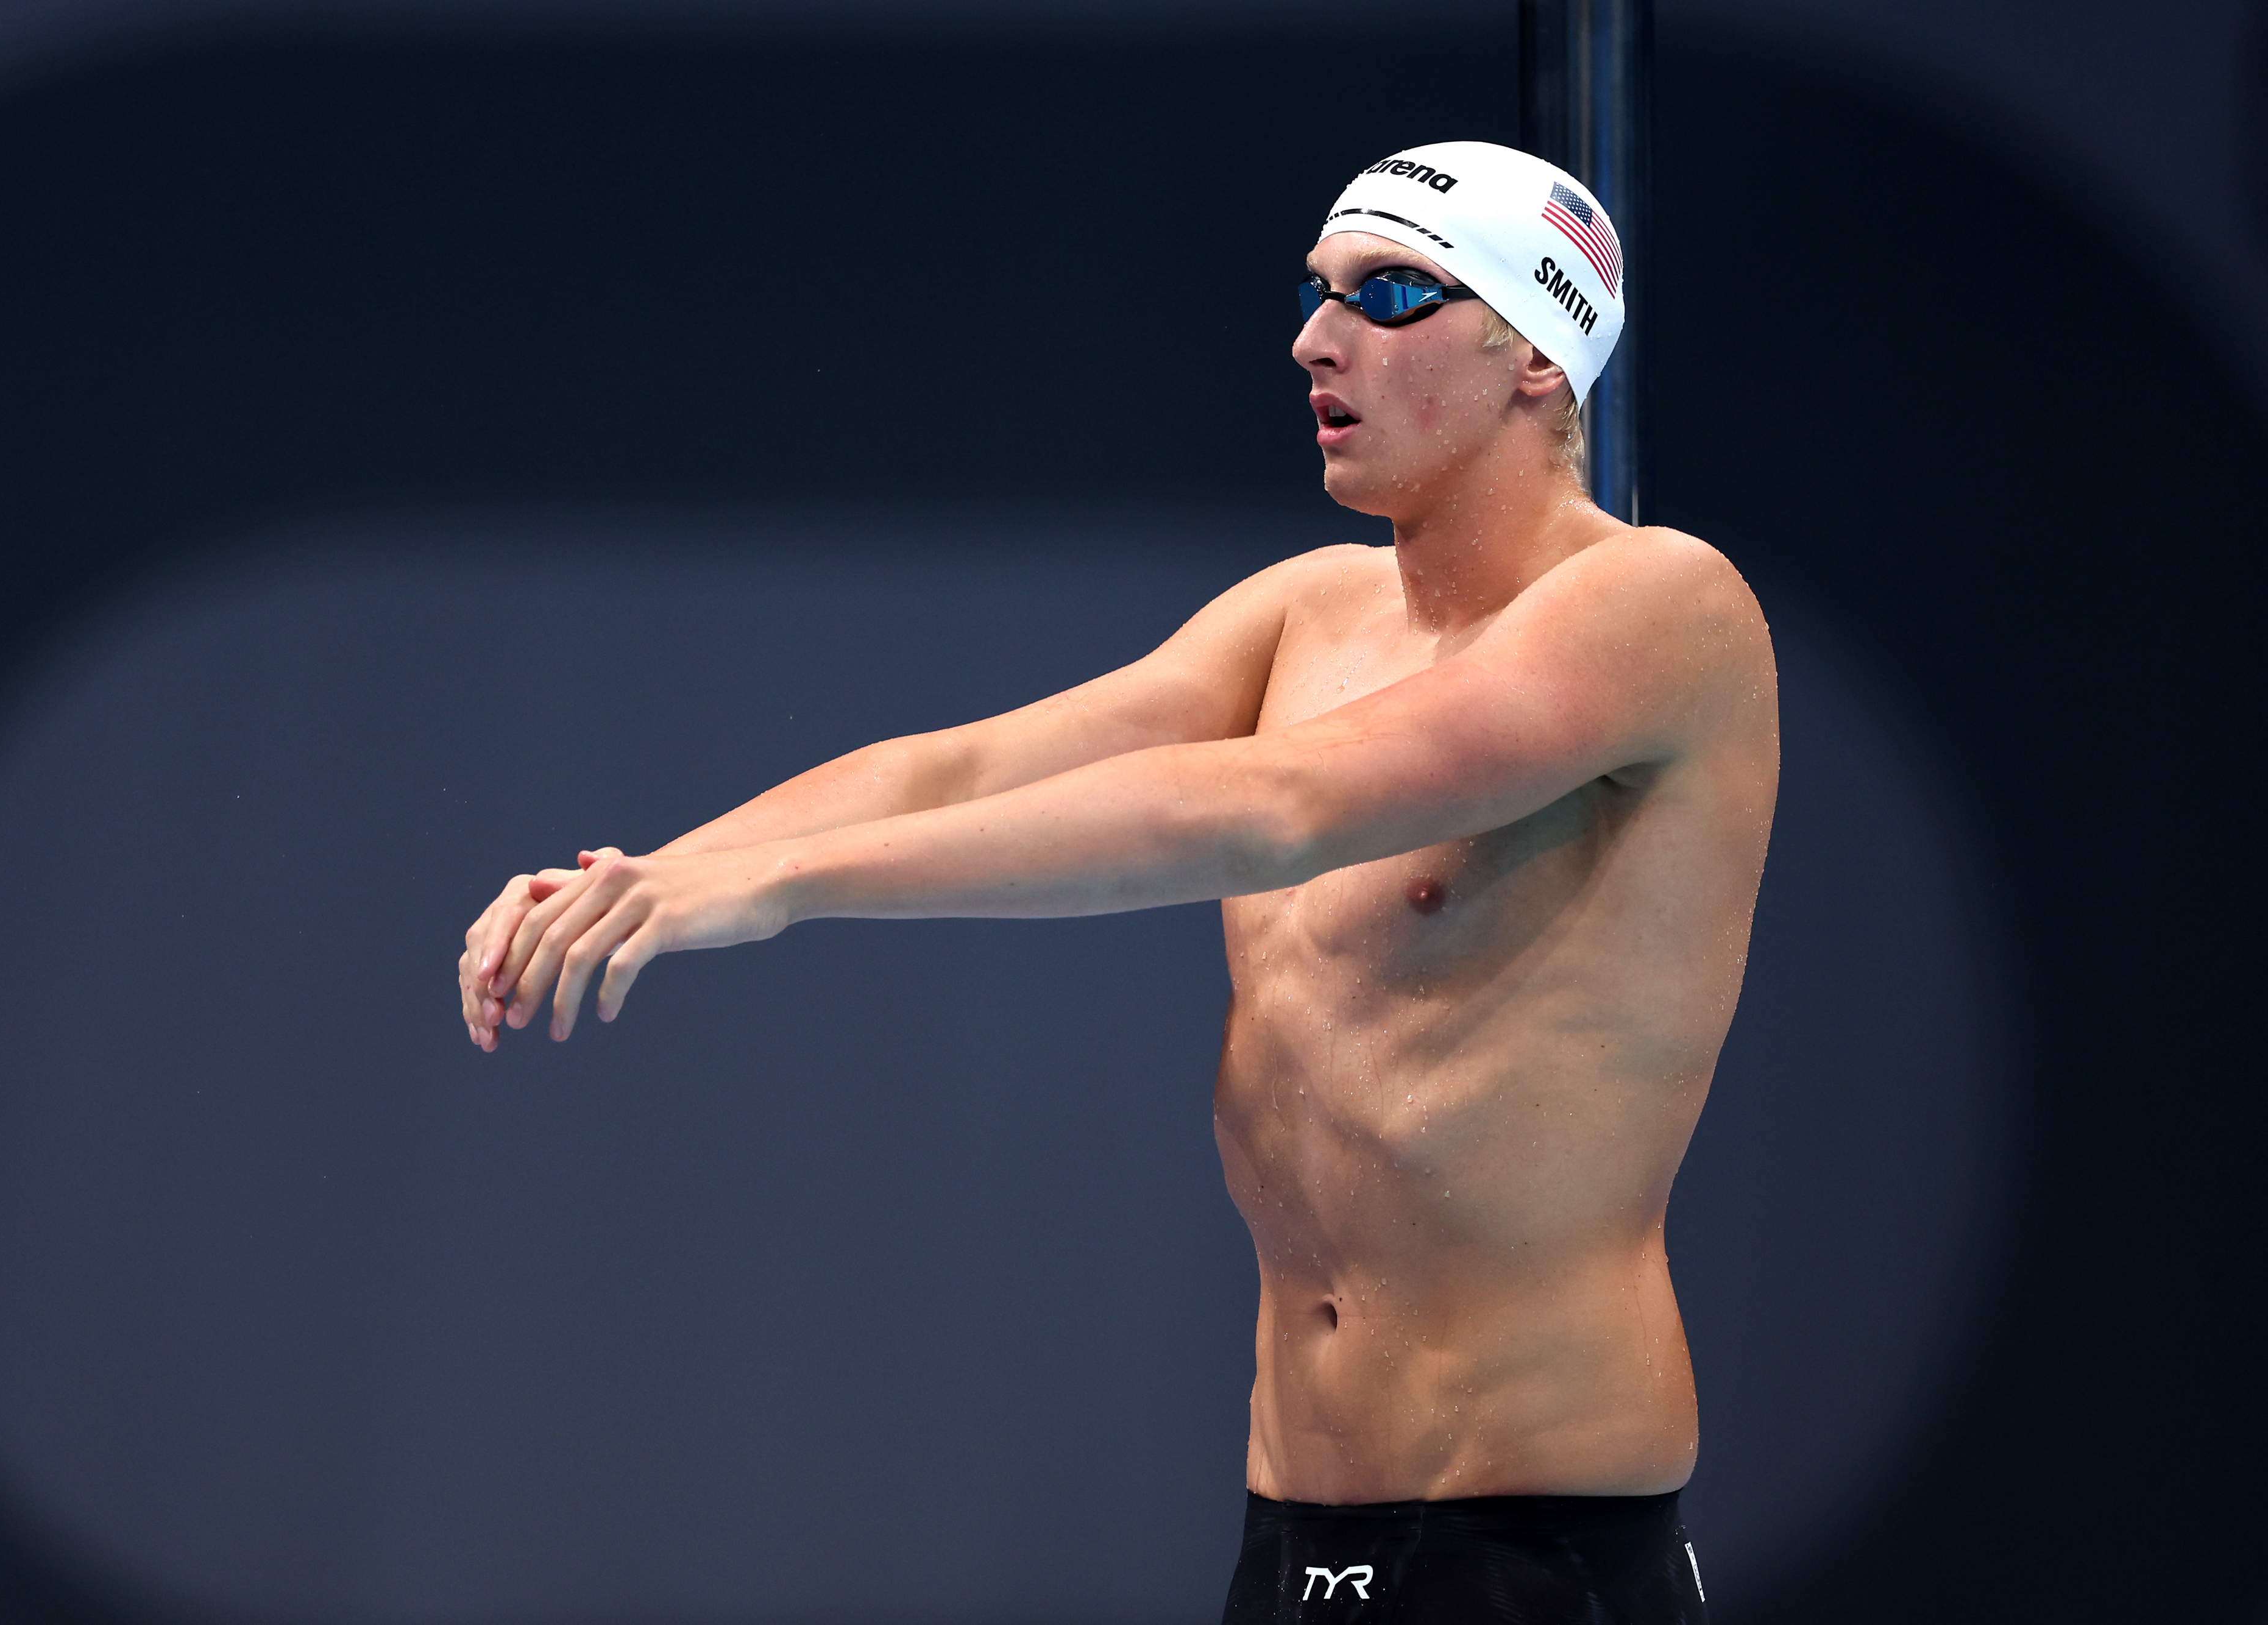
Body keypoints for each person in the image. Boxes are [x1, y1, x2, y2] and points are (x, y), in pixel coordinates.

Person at [456, 140, 1773, 1623]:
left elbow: (1281, 806)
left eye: (1388, 294)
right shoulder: (1305, 612)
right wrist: (658, 875)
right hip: (1292, 1534)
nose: (1311, 338)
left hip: (1537, 1550)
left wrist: (781, 889)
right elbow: (964, 768)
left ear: (1533, 350)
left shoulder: (1660, 606)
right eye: (1312, 292)